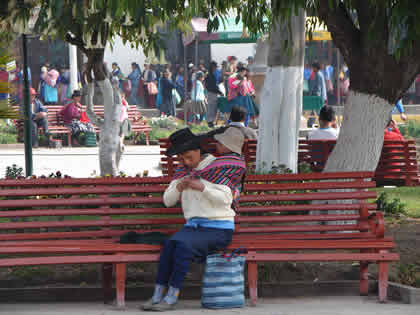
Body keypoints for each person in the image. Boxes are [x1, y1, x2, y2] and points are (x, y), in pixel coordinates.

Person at [142, 128, 246, 311]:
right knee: (169, 246)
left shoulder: (218, 167)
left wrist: (202, 187)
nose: (185, 162)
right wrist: (179, 188)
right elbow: (168, 201)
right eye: (181, 159)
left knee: (182, 246)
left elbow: (227, 199)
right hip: (193, 229)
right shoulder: (182, 172)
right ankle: (157, 294)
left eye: (189, 157)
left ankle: (172, 297)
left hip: (219, 228)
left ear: (199, 150)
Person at [204, 61, 223, 128]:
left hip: (211, 93)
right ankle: (210, 122)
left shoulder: (209, 75)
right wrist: (220, 92)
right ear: (213, 67)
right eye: (215, 67)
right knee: (212, 108)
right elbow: (213, 86)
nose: (216, 69)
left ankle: (211, 122)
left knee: (212, 108)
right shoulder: (211, 76)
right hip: (212, 93)